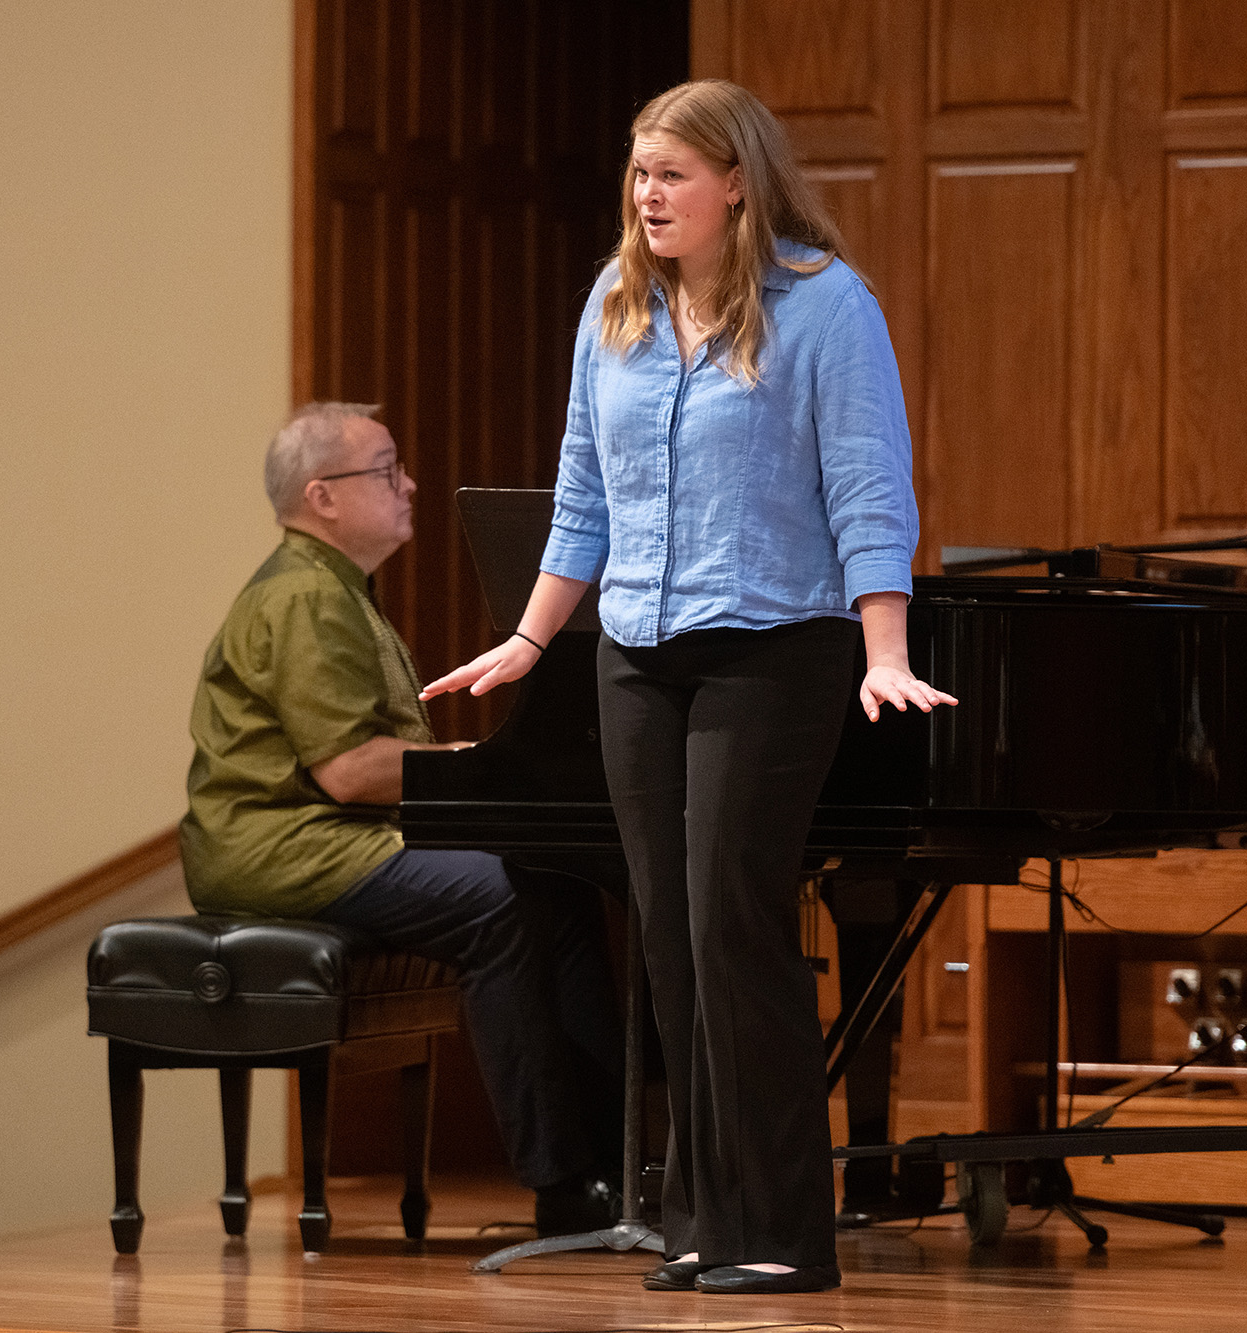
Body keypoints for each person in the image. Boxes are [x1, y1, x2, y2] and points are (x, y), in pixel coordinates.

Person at [421, 80, 957, 1294]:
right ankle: (705, 1218)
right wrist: (527, 638)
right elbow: (581, 496)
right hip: (634, 651)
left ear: (735, 183)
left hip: (775, 646)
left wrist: (884, 650)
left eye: (669, 174)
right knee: (664, 929)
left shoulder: (824, 306)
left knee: (731, 918)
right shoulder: (614, 307)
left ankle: (782, 1229)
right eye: (638, 173)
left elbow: (868, 485)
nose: (647, 195)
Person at [179, 401, 623, 1236]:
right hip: (282, 849)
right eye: (387, 470)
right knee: (502, 896)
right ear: (324, 497)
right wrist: (478, 766)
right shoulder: (306, 596)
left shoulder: (332, 588)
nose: (410, 483)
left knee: (550, 879)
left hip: (331, 838)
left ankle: (621, 1162)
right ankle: (564, 1181)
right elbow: (349, 772)